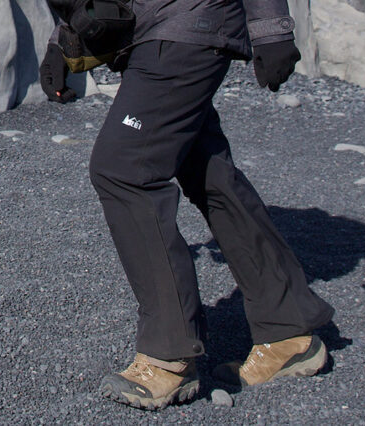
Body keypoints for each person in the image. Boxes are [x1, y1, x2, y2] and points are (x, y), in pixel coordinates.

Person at [40, 0, 335, 410]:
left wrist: (273, 30)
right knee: (209, 174)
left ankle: (169, 355)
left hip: (184, 27)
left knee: (124, 169)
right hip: (162, 32)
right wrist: (62, 43)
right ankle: (288, 330)